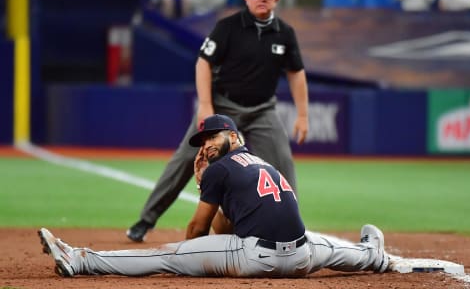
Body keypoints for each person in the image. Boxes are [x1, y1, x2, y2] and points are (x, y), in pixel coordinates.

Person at [38, 114, 389, 278]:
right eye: (203, 142)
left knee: (169, 256)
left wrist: (206, 189)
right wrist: (219, 197)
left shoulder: (220, 169)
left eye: (212, 138)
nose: (206, 145)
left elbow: (197, 233)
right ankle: (374, 256)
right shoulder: (259, 162)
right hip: (300, 258)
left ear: (234, 137)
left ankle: (81, 260)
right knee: (324, 247)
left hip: (258, 259)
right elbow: (227, 229)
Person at [126, 0, 309, 242]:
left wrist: (303, 114)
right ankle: (146, 219)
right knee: (186, 160)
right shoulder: (228, 26)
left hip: (262, 110)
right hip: (223, 106)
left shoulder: (285, 33)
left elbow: (296, 73)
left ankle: (292, 229)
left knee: (282, 162)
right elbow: (203, 62)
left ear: (276, 0)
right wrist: (205, 104)